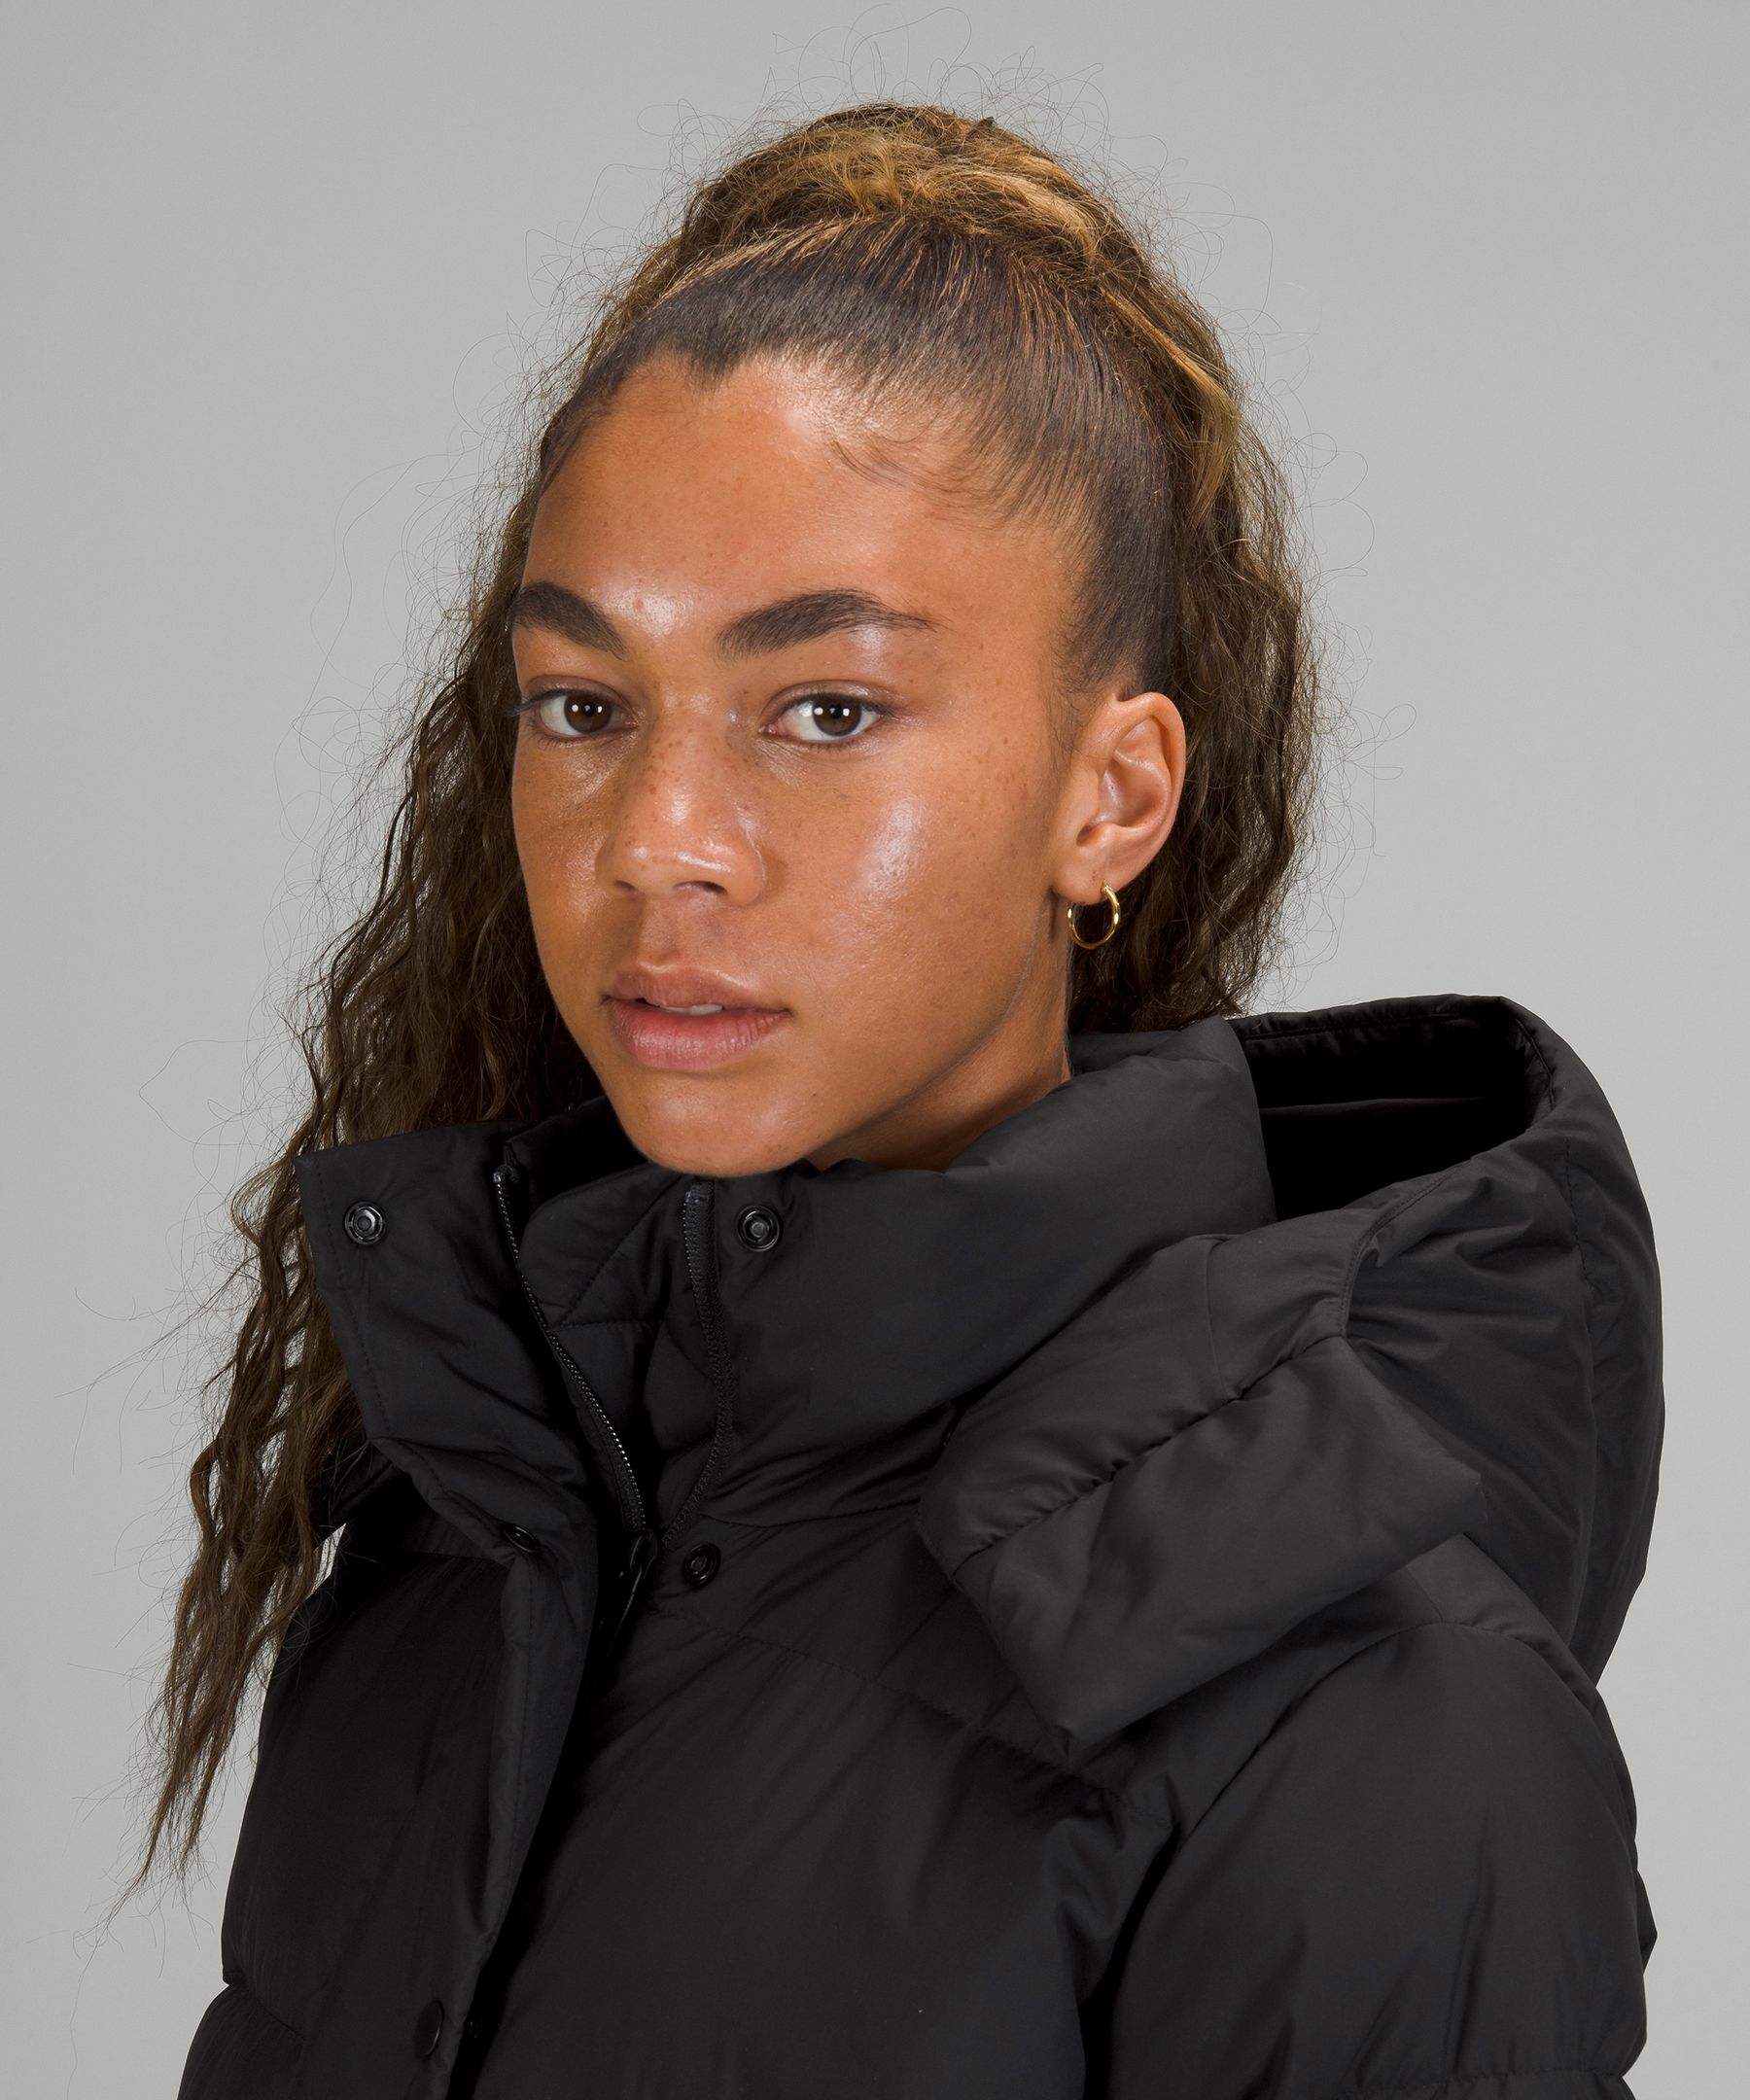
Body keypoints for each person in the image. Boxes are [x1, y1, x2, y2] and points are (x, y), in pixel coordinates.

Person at [148, 102, 1661, 2099]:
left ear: (1111, 795)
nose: (655, 839)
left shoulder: (1368, 1713)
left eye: (827, 708)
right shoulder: (469, 1530)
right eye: (584, 705)